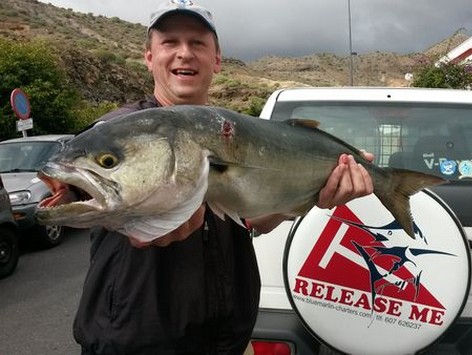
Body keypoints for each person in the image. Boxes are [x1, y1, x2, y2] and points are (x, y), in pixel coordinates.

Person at [72, 1, 374, 354]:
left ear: (216, 60)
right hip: (136, 341)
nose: (184, 54)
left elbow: (248, 219)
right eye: (170, 42)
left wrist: (314, 198)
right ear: (149, 58)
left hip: (227, 340)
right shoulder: (121, 131)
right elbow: (80, 185)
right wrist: (138, 220)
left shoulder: (230, 130)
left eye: (198, 43)